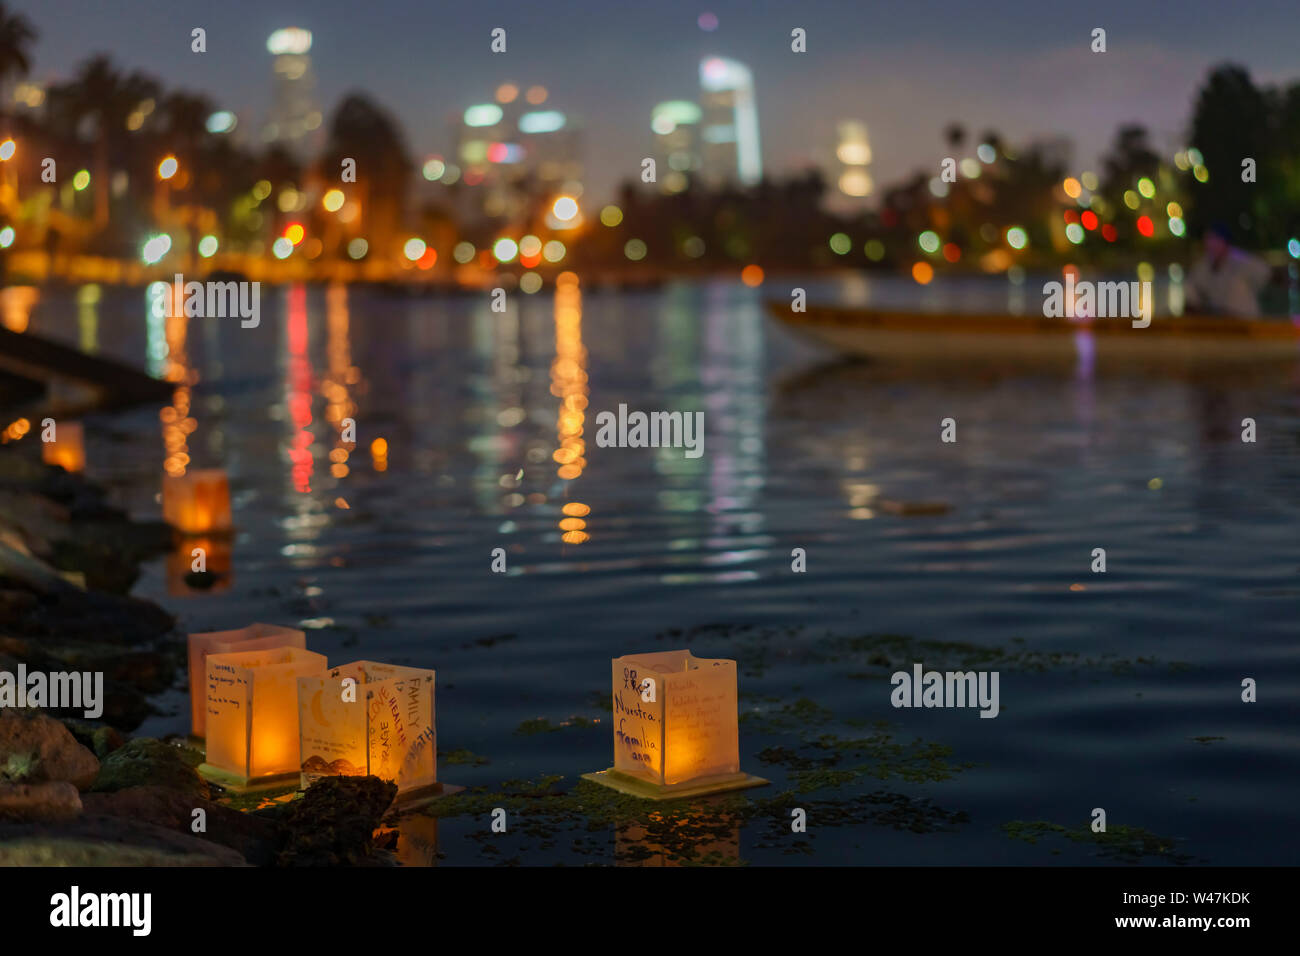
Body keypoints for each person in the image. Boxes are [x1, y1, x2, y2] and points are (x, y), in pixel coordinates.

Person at [1184, 223, 1270, 317]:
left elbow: (1266, 276)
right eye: (1208, 238)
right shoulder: (1202, 267)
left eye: (1215, 238)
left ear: (1224, 241)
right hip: (1220, 324)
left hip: (1246, 322)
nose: (1211, 243)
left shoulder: (1243, 261)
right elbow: (1191, 296)